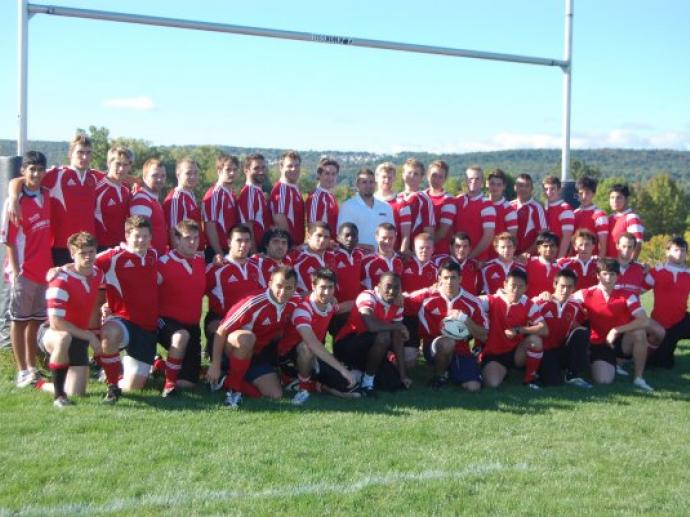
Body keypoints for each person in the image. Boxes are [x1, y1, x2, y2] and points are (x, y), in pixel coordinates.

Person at [206, 266, 300, 409]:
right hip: (232, 347)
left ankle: (224, 380)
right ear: (269, 284)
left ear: (294, 288)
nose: (283, 292)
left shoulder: (295, 302)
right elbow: (221, 331)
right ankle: (233, 391)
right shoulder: (253, 302)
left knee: (275, 394)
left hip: (257, 353)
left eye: (288, 288)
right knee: (247, 338)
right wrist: (215, 364)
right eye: (279, 286)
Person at [7, 134, 101, 266]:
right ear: (70, 154)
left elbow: (118, 177)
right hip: (61, 247)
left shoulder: (94, 177)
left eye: (88, 153)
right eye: (80, 152)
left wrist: (136, 181)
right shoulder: (57, 174)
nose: (84, 157)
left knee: (84, 286)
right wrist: (14, 198)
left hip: (88, 247)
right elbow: (19, 180)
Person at [1, 151, 52, 387]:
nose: (36, 174)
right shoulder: (15, 201)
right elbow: (9, 240)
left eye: (40, 169)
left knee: (35, 321)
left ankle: (32, 366)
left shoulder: (47, 194)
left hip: (43, 269)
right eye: (31, 169)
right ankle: (21, 370)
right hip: (23, 271)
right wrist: (14, 270)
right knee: (19, 321)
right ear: (23, 171)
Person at [96, 216, 160, 402]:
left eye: (145, 236)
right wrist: (61, 269)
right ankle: (112, 384)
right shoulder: (113, 256)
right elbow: (84, 262)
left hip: (147, 329)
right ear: (127, 235)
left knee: (135, 387)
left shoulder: (153, 255)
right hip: (123, 321)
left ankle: (119, 368)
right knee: (109, 332)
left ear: (150, 237)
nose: (141, 240)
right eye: (137, 236)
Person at [38, 232, 103, 407]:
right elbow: (56, 323)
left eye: (91, 251)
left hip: (79, 335)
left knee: (77, 392)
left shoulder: (98, 273)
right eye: (82, 253)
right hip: (52, 332)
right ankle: (59, 397)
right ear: (72, 254)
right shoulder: (60, 280)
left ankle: (41, 383)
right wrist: (89, 336)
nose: (88, 257)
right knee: (63, 338)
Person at [572, 258, 653, 392]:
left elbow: (644, 320)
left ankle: (638, 378)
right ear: (598, 275)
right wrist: (545, 296)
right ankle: (612, 364)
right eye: (604, 273)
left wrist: (616, 330)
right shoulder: (585, 293)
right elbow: (562, 301)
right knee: (603, 381)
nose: (608, 278)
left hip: (621, 341)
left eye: (612, 274)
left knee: (640, 332)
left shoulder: (627, 294)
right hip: (599, 344)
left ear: (618, 276)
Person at [277, 268, 356, 405]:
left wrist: (370, 299)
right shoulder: (303, 309)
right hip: (289, 357)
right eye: (323, 287)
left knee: (347, 385)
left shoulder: (329, 305)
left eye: (330, 287)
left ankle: (316, 384)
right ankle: (303, 386)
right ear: (313, 286)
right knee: (306, 348)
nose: (327, 292)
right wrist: (342, 369)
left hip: (315, 353)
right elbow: (312, 343)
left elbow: (342, 307)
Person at [333, 272, 411, 396]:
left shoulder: (397, 304)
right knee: (384, 336)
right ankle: (367, 383)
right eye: (388, 286)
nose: (392, 291)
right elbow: (372, 326)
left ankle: (357, 373)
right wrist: (399, 326)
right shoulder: (367, 296)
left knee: (393, 384)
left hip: (370, 348)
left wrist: (403, 375)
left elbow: (397, 340)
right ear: (379, 285)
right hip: (347, 344)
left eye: (396, 287)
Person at [419, 261, 488, 392]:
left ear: (460, 279)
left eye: (453, 277)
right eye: (446, 278)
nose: (449, 282)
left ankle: (451, 371)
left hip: (465, 347)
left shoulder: (472, 302)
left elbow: (484, 336)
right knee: (447, 343)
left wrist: (466, 320)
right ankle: (439, 377)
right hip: (436, 346)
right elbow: (403, 299)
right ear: (439, 279)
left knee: (473, 387)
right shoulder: (427, 298)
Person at [156, 219, 206, 396]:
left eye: (195, 237)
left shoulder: (201, 262)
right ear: (176, 240)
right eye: (187, 238)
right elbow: (144, 290)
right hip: (165, 322)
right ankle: (169, 386)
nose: (192, 242)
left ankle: (160, 366)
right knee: (180, 336)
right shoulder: (162, 262)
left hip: (192, 327)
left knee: (188, 384)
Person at [479, 269, 547, 389]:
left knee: (535, 340)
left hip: (516, 353)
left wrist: (518, 330)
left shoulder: (529, 304)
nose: (516, 290)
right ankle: (498, 371)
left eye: (520, 287)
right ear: (505, 284)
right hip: (494, 353)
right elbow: (469, 301)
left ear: (526, 288)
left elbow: (544, 330)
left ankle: (529, 379)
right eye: (513, 286)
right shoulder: (491, 300)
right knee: (492, 384)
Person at [205, 224, 262, 344]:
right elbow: (197, 294)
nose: (243, 245)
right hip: (223, 320)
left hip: (250, 321)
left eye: (247, 241)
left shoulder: (257, 266)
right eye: (239, 240)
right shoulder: (216, 268)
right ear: (229, 242)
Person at [535, 268, 591, 388]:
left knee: (582, 332)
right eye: (562, 286)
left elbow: (581, 323)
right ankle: (536, 372)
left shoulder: (575, 304)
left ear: (574, 288)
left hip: (561, 348)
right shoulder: (540, 302)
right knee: (553, 382)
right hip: (544, 351)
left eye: (570, 287)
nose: (565, 290)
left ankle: (573, 375)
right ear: (555, 284)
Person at [644, 236, 690, 369]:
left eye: (683, 251)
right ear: (667, 252)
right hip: (661, 323)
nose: (680, 254)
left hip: (681, 320)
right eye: (676, 250)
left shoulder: (688, 274)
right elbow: (638, 290)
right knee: (664, 364)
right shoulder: (657, 271)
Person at [400, 232, 438, 368]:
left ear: (433, 250)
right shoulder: (403, 264)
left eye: (428, 248)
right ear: (414, 248)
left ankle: (425, 347)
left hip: (426, 317)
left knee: (434, 357)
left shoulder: (436, 270)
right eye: (421, 248)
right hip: (406, 316)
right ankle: (394, 353)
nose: (424, 251)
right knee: (409, 363)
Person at [338, 168, 394, 250]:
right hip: (357, 258)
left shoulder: (386, 207)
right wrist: (363, 247)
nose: (368, 185)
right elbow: (342, 238)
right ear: (357, 184)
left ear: (375, 184)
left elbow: (392, 234)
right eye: (364, 182)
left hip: (381, 259)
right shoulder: (347, 207)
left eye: (371, 182)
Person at [329, 222, 367, 336]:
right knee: (340, 339)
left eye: (354, 236)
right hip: (339, 307)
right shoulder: (331, 256)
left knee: (357, 340)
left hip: (357, 306)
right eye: (347, 235)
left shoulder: (360, 255)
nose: (350, 239)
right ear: (338, 237)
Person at [202, 153, 239, 264]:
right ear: (219, 171)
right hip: (218, 253)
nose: (232, 173)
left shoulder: (231, 194)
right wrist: (220, 254)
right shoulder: (214, 195)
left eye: (235, 169)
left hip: (230, 250)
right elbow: (210, 227)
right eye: (228, 169)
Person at [454, 165, 496, 261]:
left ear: (482, 182)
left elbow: (488, 236)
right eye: (470, 178)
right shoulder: (458, 200)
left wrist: (470, 256)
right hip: (457, 258)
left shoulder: (487, 204)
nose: (473, 181)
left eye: (477, 179)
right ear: (466, 181)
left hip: (477, 260)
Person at [94, 147, 133, 251]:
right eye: (118, 164)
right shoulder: (98, 188)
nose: (121, 169)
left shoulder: (126, 189)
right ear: (109, 163)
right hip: (101, 248)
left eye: (125, 165)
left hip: (122, 246)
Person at [163, 157, 204, 251]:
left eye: (196, 173)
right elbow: (173, 232)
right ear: (178, 175)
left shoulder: (190, 194)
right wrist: (182, 260)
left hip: (195, 254)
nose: (193, 177)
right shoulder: (176, 198)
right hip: (185, 258)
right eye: (188, 173)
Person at [129, 158, 168, 255]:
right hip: (147, 260)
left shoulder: (152, 199)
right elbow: (140, 236)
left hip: (154, 259)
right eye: (155, 175)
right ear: (144, 177)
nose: (160, 179)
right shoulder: (141, 201)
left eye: (163, 176)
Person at [396, 158, 435, 254]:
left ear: (422, 177)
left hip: (414, 253)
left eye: (416, 174)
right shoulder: (396, 197)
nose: (412, 176)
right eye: (409, 173)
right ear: (403, 174)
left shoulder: (424, 199)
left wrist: (416, 252)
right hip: (395, 250)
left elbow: (429, 231)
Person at [270, 150, 305, 247]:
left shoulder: (293, 188)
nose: (294, 169)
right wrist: (290, 246)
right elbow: (279, 219)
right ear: (281, 167)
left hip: (298, 246)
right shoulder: (282, 189)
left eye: (297, 166)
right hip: (289, 248)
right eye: (290, 166)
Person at [374, 162, 411, 253]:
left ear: (394, 179)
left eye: (390, 177)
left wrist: (401, 254)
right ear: (376, 178)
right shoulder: (368, 201)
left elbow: (406, 235)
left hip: (393, 255)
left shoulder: (402, 204)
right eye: (384, 177)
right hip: (370, 254)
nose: (386, 180)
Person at [238, 153, 271, 248]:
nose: (261, 171)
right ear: (246, 170)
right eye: (256, 168)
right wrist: (254, 253)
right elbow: (247, 227)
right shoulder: (249, 192)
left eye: (263, 168)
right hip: (256, 251)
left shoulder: (258, 191)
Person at [510, 173, 547, 256]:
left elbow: (543, 234)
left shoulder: (537, 208)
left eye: (527, 186)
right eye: (520, 185)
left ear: (532, 188)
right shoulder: (508, 206)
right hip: (509, 257)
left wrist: (526, 254)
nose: (523, 188)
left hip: (528, 259)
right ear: (515, 187)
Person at [293, 222, 335, 294]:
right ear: (309, 237)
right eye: (319, 235)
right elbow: (300, 294)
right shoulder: (299, 261)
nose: (322, 240)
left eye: (326, 237)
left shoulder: (333, 254)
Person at [425, 160, 456, 255]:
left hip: (439, 253)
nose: (436, 179)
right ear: (427, 175)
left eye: (440, 177)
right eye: (434, 175)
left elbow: (442, 232)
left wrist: (425, 247)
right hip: (420, 253)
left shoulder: (448, 200)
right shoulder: (420, 196)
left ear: (445, 179)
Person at [486, 168, 518, 259]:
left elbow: (512, 238)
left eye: (499, 185)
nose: (495, 187)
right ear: (487, 184)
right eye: (492, 184)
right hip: (479, 257)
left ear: (504, 186)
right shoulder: (481, 205)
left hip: (499, 258)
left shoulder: (509, 210)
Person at [361, 223, 403, 290]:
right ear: (376, 238)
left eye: (391, 238)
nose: (387, 241)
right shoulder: (366, 261)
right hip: (374, 299)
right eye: (384, 238)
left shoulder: (401, 259)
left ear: (395, 238)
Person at [606, 183, 643, 259]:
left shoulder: (632, 217)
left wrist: (630, 265)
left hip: (623, 266)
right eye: (612, 197)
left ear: (626, 199)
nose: (615, 201)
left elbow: (638, 244)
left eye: (619, 198)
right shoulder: (609, 218)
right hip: (610, 265)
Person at [573, 176, 608, 256]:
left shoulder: (600, 215)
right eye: (581, 193)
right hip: (576, 261)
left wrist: (600, 265)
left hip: (593, 262)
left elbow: (602, 246)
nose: (584, 196)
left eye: (587, 193)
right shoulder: (574, 213)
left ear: (593, 194)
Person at [306, 157, 340, 237]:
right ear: (319, 175)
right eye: (327, 173)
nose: (330, 178)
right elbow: (312, 227)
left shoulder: (330, 195)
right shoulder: (316, 197)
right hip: (322, 246)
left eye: (333, 174)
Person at [542, 175, 575, 258]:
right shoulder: (544, 208)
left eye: (552, 189)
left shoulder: (565, 209)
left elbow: (567, 238)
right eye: (546, 189)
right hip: (546, 256)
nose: (549, 192)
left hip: (558, 258)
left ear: (559, 190)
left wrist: (559, 259)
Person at [524, 231, 559, 299]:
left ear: (557, 248)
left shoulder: (562, 268)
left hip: (551, 307)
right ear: (538, 248)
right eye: (545, 246)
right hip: (529, 306)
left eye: (552, 246)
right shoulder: (527, 263)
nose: (549, 249)